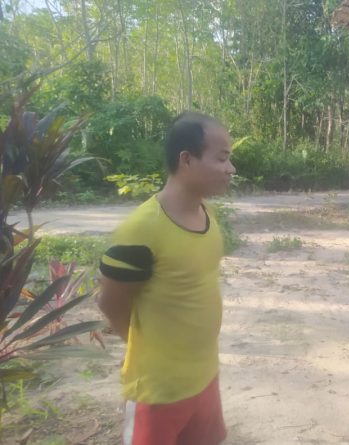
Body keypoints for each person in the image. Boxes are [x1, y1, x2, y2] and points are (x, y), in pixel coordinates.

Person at [97, 112, 236, 445]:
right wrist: (146, 351)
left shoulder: (207, 214)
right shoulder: (140, 230)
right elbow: (111, 303)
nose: (231, 169)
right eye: (222, 158)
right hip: (157, 391)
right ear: (186, 159)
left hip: (204, 378)